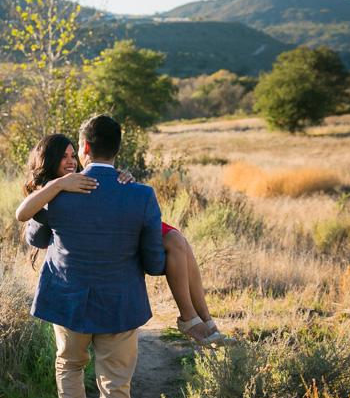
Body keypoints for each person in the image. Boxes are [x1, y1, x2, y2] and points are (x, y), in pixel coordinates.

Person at [21, 116, 165, 398]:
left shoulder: (60, 195)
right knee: (115, 387)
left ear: (83, 149)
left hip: (67, 301)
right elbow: (154, 264)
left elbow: (35, 236)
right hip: (120, 306)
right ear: (119, 151)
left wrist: (53, 188)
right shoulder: (141, 194)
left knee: (69, 367)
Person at [17, 136, 236, 348]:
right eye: (64, 157)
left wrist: (120, 180)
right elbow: (26, 220)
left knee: (178, 240)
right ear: (49, 160)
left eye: (73, 155)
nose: (72, 161)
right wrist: (59, 184)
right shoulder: (48, 190)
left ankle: (204, 321)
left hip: (113, 220)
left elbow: (99, 183)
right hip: (95, 240)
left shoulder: (77, 178)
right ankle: (192, 319)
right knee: (175, 241)